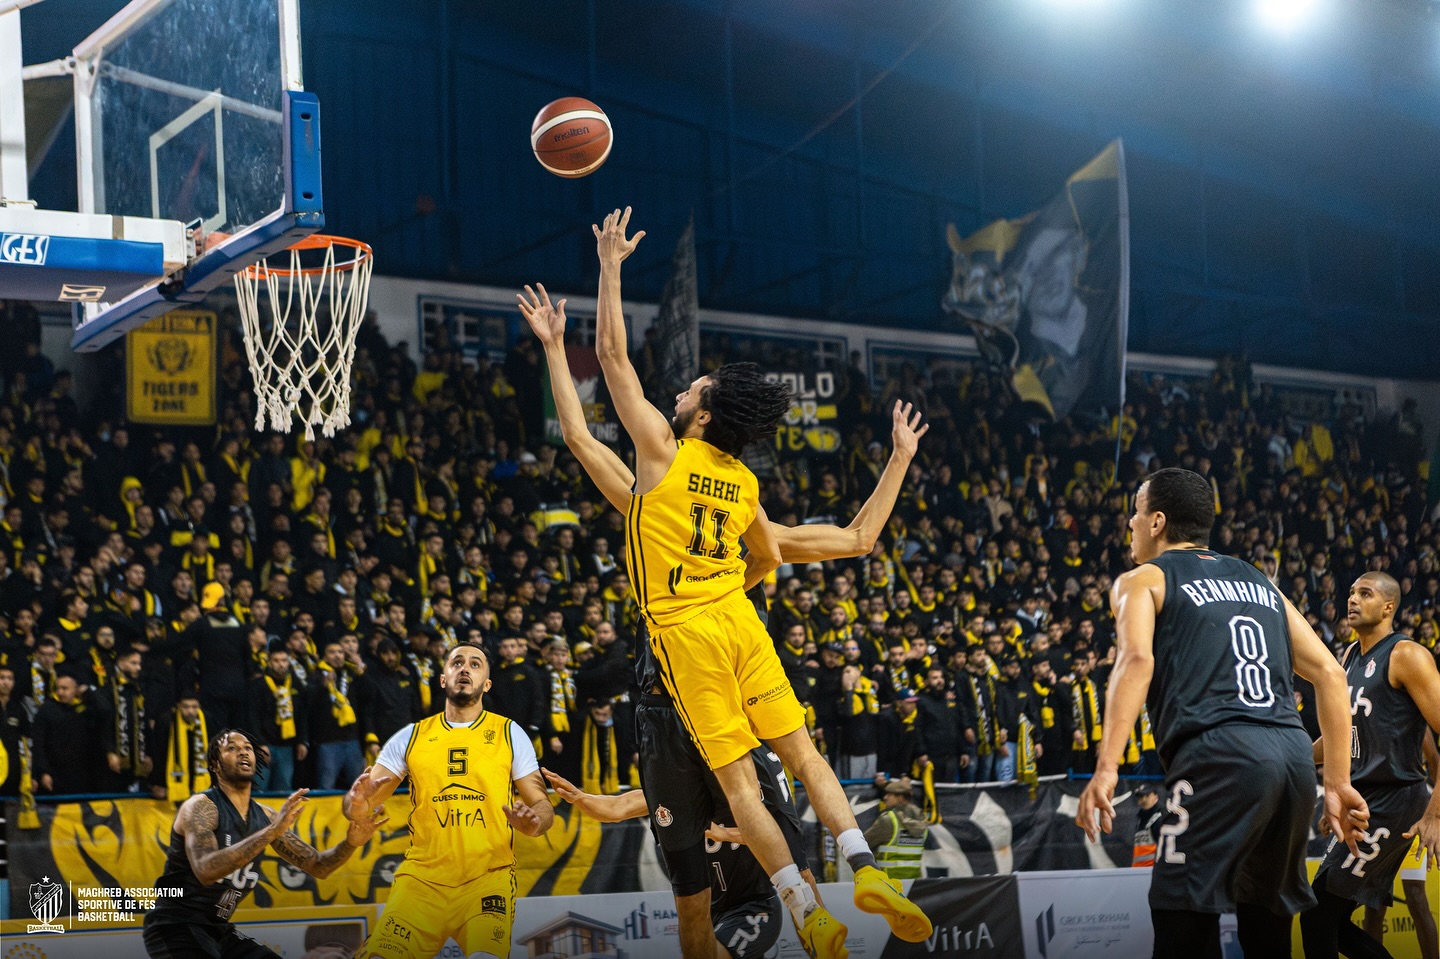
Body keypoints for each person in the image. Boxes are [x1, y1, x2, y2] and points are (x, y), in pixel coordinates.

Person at [518, 271, 931, 959]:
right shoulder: (743, 485)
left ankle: (805, 910)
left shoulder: (662, 459)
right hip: (740, 618)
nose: (680, 392)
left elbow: (602, 390)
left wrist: (603, 278)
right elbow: (844, 542)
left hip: (688, 636)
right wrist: (899, 458)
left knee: (742, 784)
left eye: (691, 389)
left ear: (703, 415)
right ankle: (865, 867)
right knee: (803, 754)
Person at [1076, 467, 1368, 959]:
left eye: (1136, 512)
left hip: (1220, 755)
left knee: (1181, 918)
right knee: (1266, 927)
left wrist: (1106, 768)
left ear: (1157, 522)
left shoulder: (1141, 579)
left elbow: (1136, 661)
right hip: (1293, 762)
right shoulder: (1260, 581)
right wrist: (1337, 783)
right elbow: (1331, 675)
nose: (1129, 522)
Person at [341, 642, 554, 959]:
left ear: (487, 683)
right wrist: (357, 802)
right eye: (457, 662)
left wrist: (534, 824)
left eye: (475, 664)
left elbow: (542, 806)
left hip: (487, 881)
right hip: (421, 883)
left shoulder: (509, 733)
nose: (465, 668)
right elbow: (358, 805)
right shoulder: (411, 736)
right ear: (443, 679)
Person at [142, 731, 384, 958]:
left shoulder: (266, 817)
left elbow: (319, 866)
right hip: (175, 925)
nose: (243, 752)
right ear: (215, 764)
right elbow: (205, 871)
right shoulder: (201, 807)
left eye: (247, 748)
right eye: (232, 748)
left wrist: (351, 843)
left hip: (218, 928)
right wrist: (271, 833)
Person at [543, 758, 814, 959]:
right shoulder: (678, 798)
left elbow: (776, 836)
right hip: (710, 913)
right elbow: (617, 807)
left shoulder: (744, 796)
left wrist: (726, 834)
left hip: (755, 908)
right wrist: (579, 798)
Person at [1300, 572, 1440, 959]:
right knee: (1328, 920)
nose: (1353, 600)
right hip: (1362, 801)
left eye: (1365, 593)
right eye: (1351, 593)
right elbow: (1337, 737)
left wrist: (1435, 814)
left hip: (1395, 802)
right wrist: (1296, 760)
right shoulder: (1348, 657)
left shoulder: (1406, 655)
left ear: (1389, 607)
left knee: (1318, 917)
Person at [864, 779, 928, 880]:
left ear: (900, 798)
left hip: (889, 884)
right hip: (914, 884)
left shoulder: (888, 820)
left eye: (889, 795)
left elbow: (864, 844)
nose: (885, 798)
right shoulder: (922, 821)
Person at [1131, 783, 1164, 868]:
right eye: (1140, 797)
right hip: (1138, 871)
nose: (1143, 800)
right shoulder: (1139, 821)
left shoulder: (1159, 819)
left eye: (1147, 795)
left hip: (1152, 871)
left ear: (1156, 797)